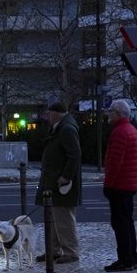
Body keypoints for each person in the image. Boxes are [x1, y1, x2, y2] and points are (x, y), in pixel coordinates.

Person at [35, 101, 82, 264]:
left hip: (62, 184)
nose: (47, 117)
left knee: (63, 219)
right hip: (55, 182)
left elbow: (74, 155)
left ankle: (70, 251)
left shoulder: (66, 129)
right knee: (54, 218)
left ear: (56, 113)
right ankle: (54, 250)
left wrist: (66, 176)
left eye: (48, 113)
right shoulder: (61, 127)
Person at [102, 99, 137, 272]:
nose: (108, 114)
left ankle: (125, 260)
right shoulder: (132, 130)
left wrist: (108, 185)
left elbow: (114, 163)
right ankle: (131, 258)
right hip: (129, 184)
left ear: (117, 113)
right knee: (127, 223)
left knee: (120, 224)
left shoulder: (119, 132)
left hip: (119, 185)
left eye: (110, 111)